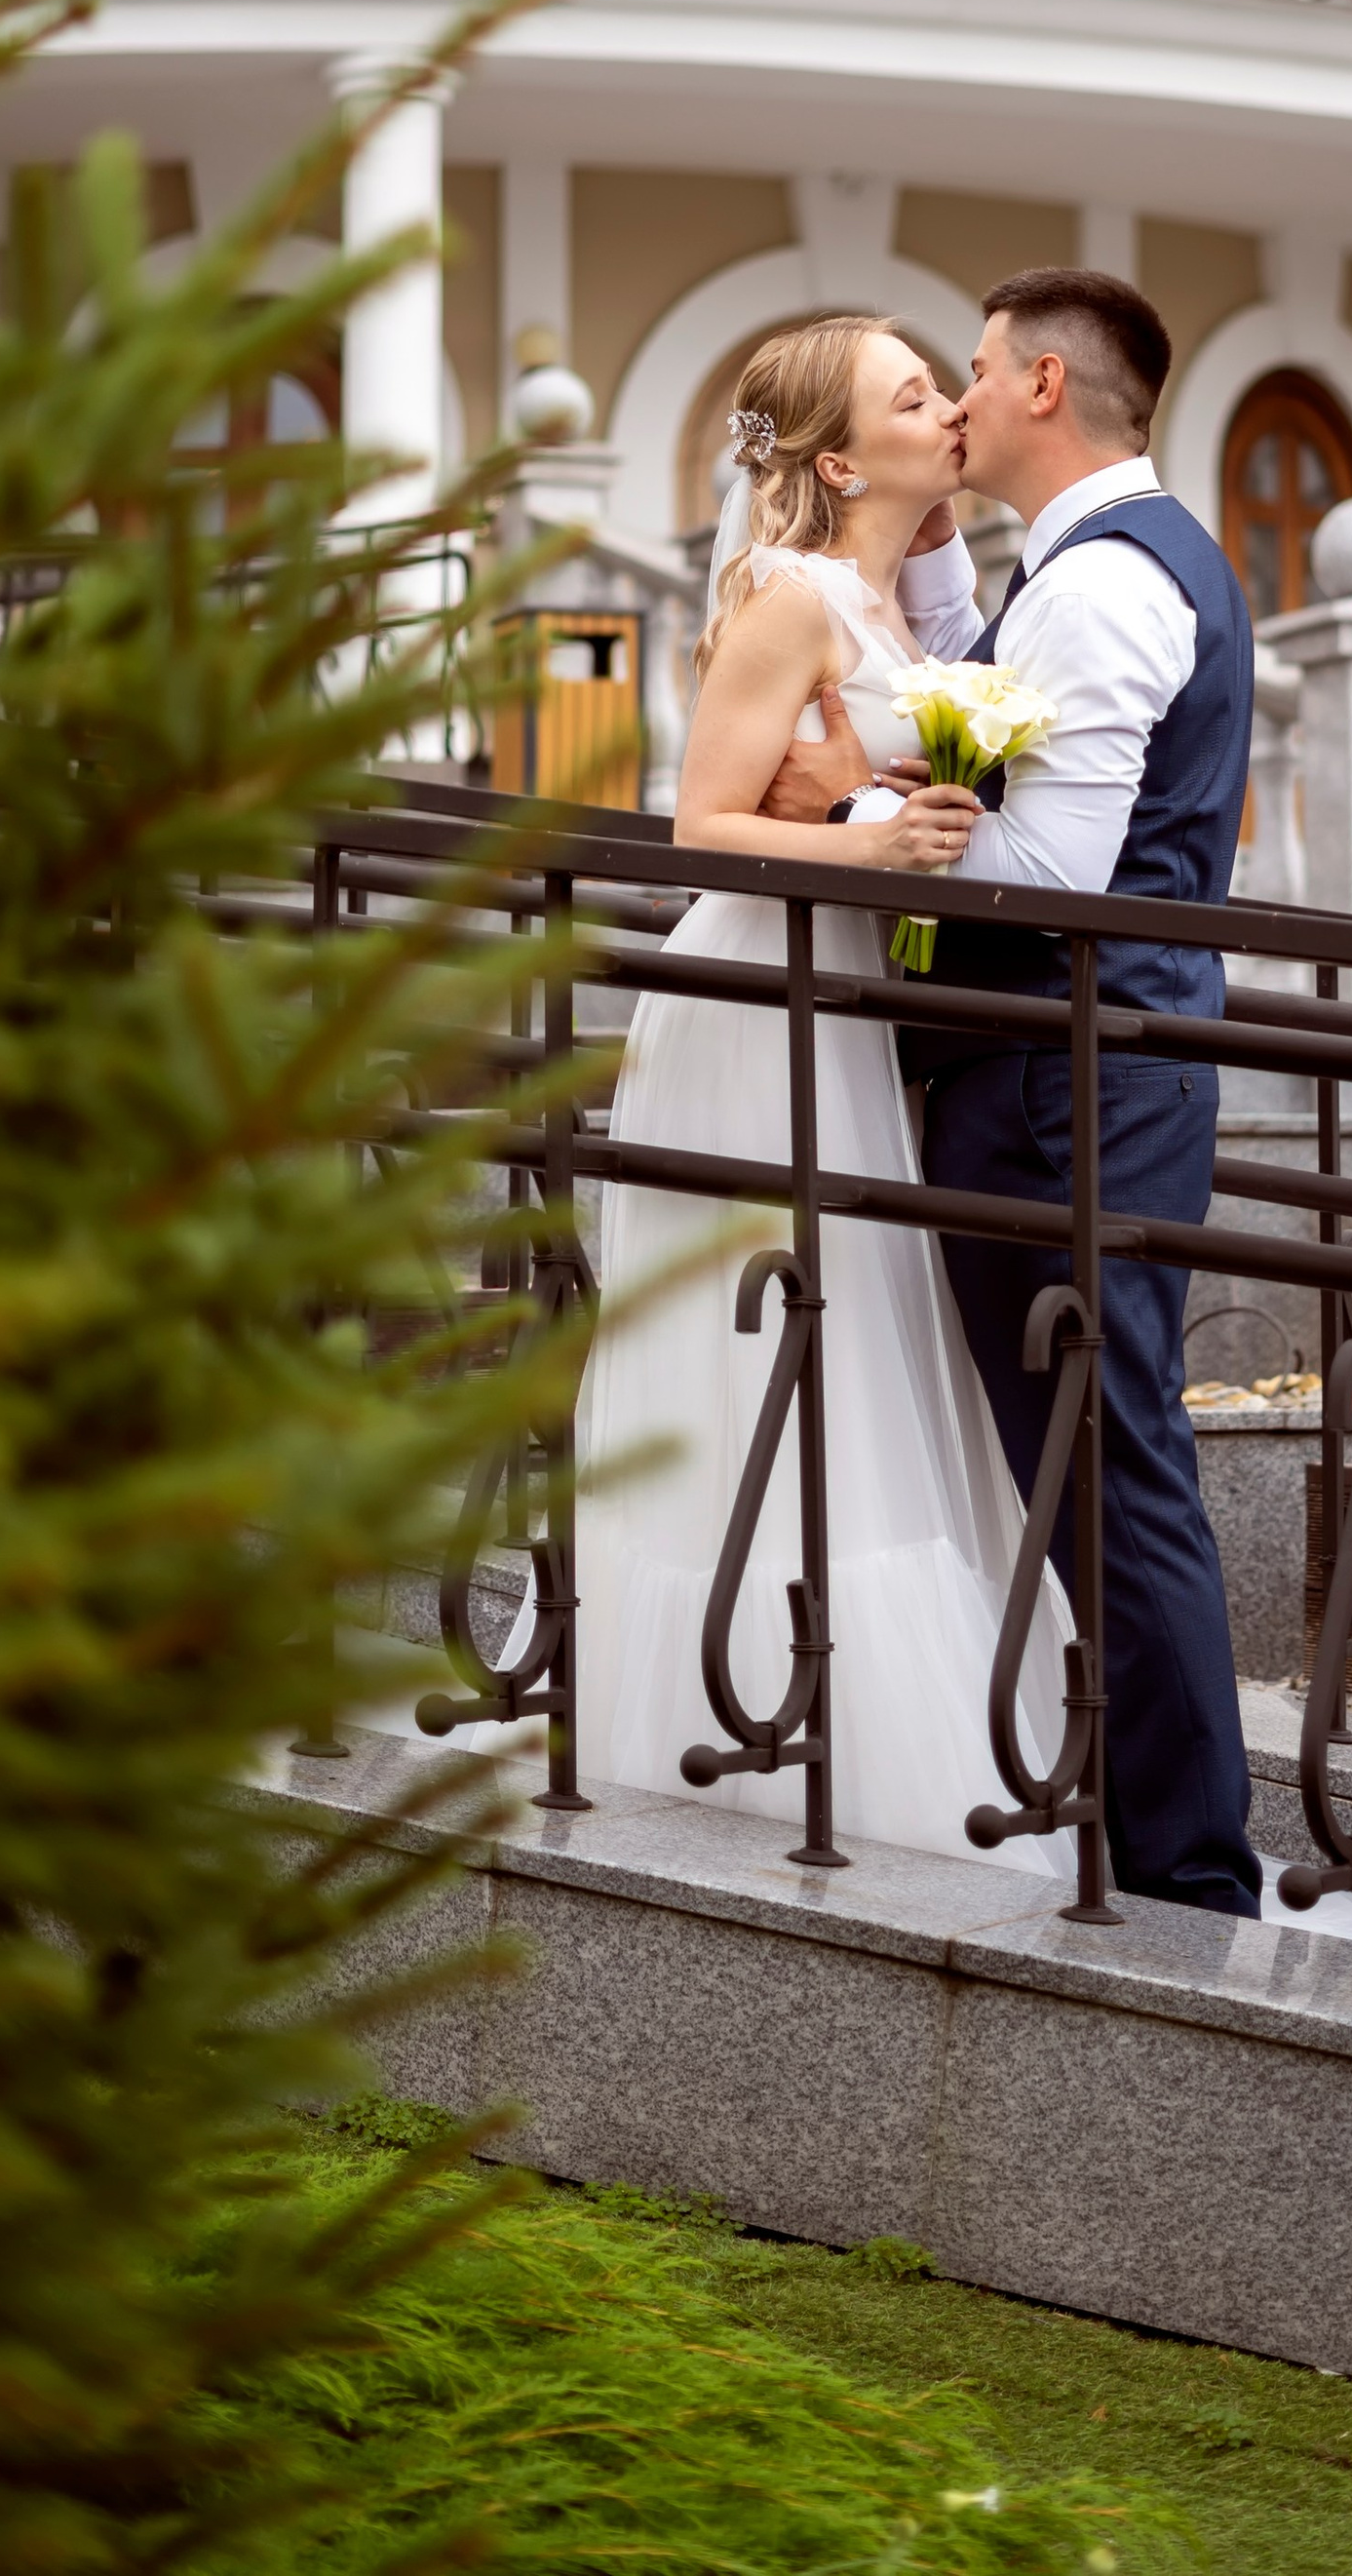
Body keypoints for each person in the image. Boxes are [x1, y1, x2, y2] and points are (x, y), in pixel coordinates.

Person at [761, 270, 1263, 1921]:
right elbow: (999, 711)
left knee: (1110, 1460)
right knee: (1094, 1457)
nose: (957, 400)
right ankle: (1136, 1823)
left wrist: (860, 799)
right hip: (1099, 1069)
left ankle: (1189, 1867)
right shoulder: (1092, 567)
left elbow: (1048, 869)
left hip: (1068, 1076)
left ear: (1044, 384)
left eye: (972, 371)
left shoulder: (1111, 585)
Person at [562, 311, 1075, 1878]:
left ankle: (822, 1707)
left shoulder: (904, 606)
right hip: (751, 1003)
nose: (949, 408)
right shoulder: (787, 595)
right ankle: (720, 1720)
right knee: (770, 1337)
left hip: (845, 1006)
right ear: (843, 457)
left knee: (849, 1335)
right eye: (915, 396)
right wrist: (872, 847)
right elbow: (697, 824)